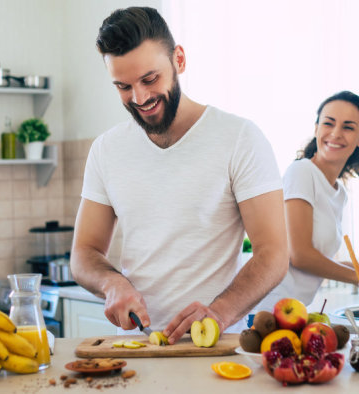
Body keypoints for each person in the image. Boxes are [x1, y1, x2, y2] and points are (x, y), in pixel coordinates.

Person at [70, 6, 288, 344]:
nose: (139, 98)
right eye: (123, 86)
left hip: (214, 347)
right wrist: (112, 283)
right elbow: (84, 253)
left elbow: (273, 253)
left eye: (150, 79)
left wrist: (219, 312)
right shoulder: (106, 150)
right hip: (136, 347)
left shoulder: (239, 138)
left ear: (179, 61)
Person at [256, 91, 359, 312]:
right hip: (268, 307)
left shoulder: (339, 193)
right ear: (316, 128)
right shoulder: (302, 172)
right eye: (328, 123)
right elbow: (300, 256)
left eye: (348, 127)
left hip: (292, 309)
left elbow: (316, 260)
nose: (335, 134)